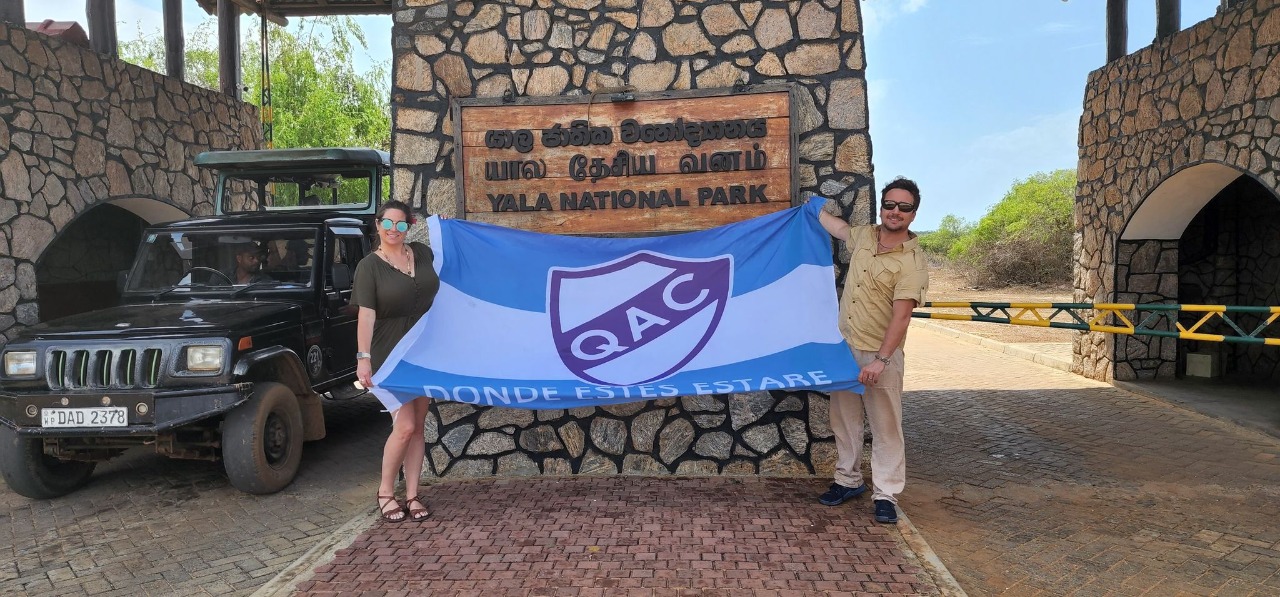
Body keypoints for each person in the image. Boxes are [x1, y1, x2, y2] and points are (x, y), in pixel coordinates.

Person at [815, 177, 929, 524]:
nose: (895, 212)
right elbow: (838, 227)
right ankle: (847, 481)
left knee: (885, 427)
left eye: (904, 207)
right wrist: (812, 209)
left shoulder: (913, 260)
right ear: (882, 206)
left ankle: (886, 494)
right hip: (846, 348)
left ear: (913, 214)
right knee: (845, 421)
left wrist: (881, 360)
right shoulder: (865, 236)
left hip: (881, 356)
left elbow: (902, 315)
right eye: (890, 205)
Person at [352, 200, 440, 523]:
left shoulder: (421, 253)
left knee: (418, 427)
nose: (393, 230)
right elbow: (366, 315)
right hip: (388, 356)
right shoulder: (369, 267)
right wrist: (364, 359)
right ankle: (385, 492)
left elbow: (450, 262)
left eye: (401, 225)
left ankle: (413, 495)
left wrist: (448, 228)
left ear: (409, 227)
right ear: (377, 225)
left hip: (422, 352)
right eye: (387, 223)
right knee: (403, 426)